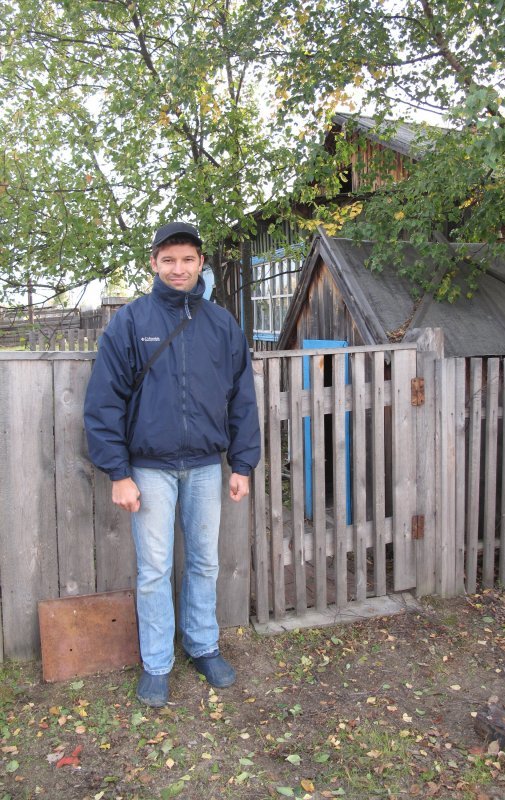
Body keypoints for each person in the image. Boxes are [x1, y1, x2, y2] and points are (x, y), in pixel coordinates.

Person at [84, 221, 261, 707]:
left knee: (205, 561)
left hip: (206, 466)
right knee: (154, 569)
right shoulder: (130, 322)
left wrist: (242, 465)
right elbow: (104, 403)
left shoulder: (222, 324)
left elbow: (241, 400)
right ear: (154, 264)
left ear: (201, 262)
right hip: (149, 468)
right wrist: (119, 472)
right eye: (168, 260)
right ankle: (157, 662)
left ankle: (203, 645)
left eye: (187, 259)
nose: (178, 268)